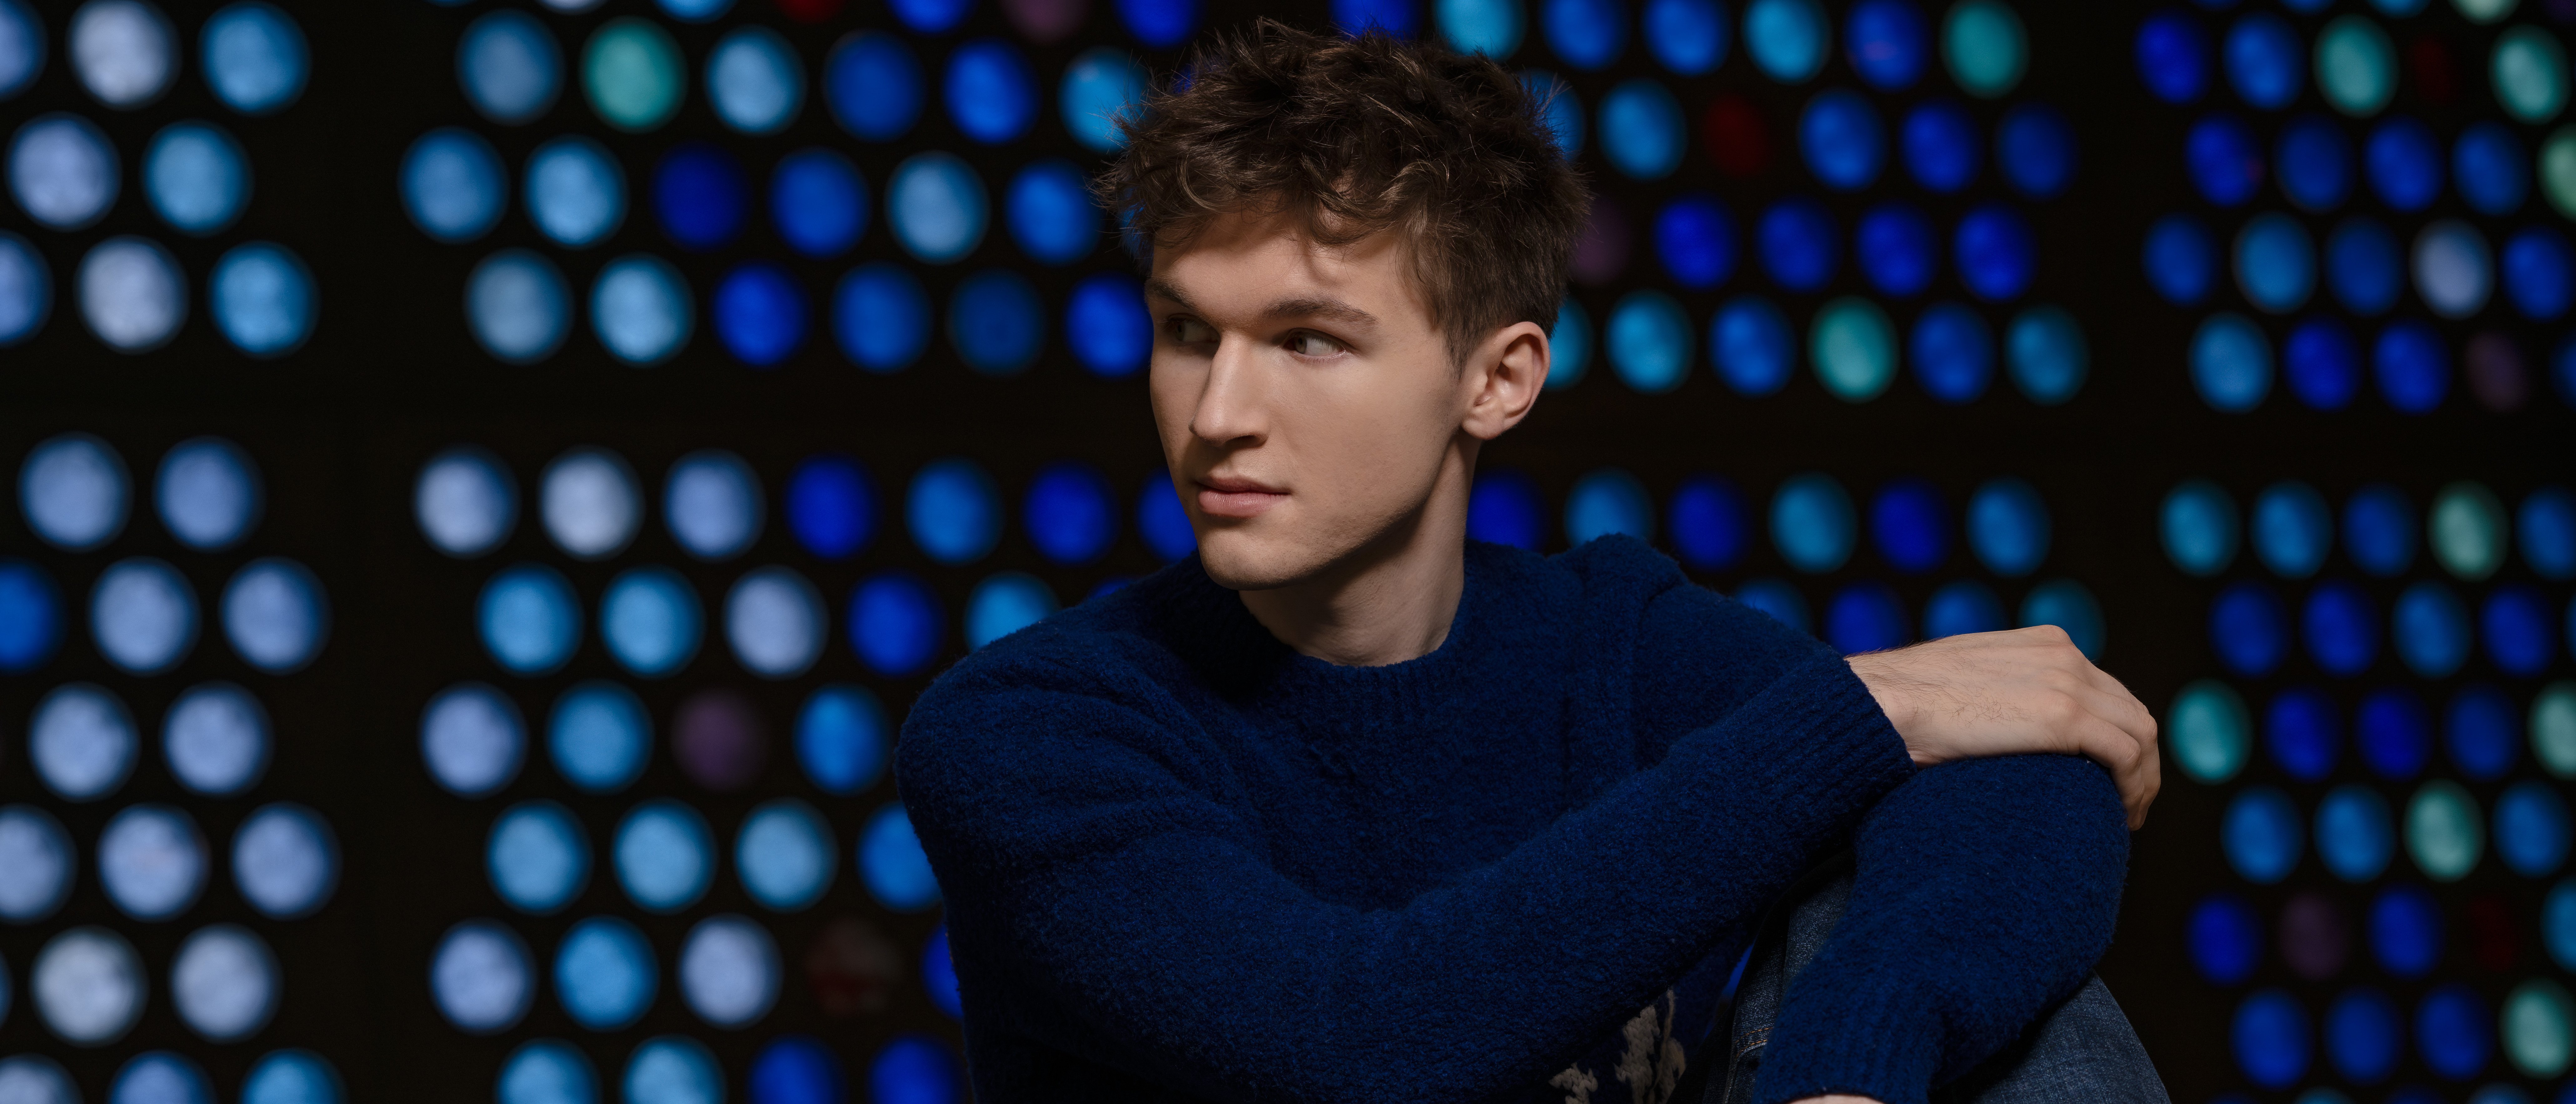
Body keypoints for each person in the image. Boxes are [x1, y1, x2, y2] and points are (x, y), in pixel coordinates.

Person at [895, 21, 2167, 1104]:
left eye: (1305, 341)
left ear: (1495, 381)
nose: (1215, 409)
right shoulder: (1027, 731)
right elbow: (1351, 1042)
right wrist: (1867, 710)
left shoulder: (1611, 639)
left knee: (1988, 967)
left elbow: (2026, 775)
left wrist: (1847, 1066)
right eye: (1184, 331)